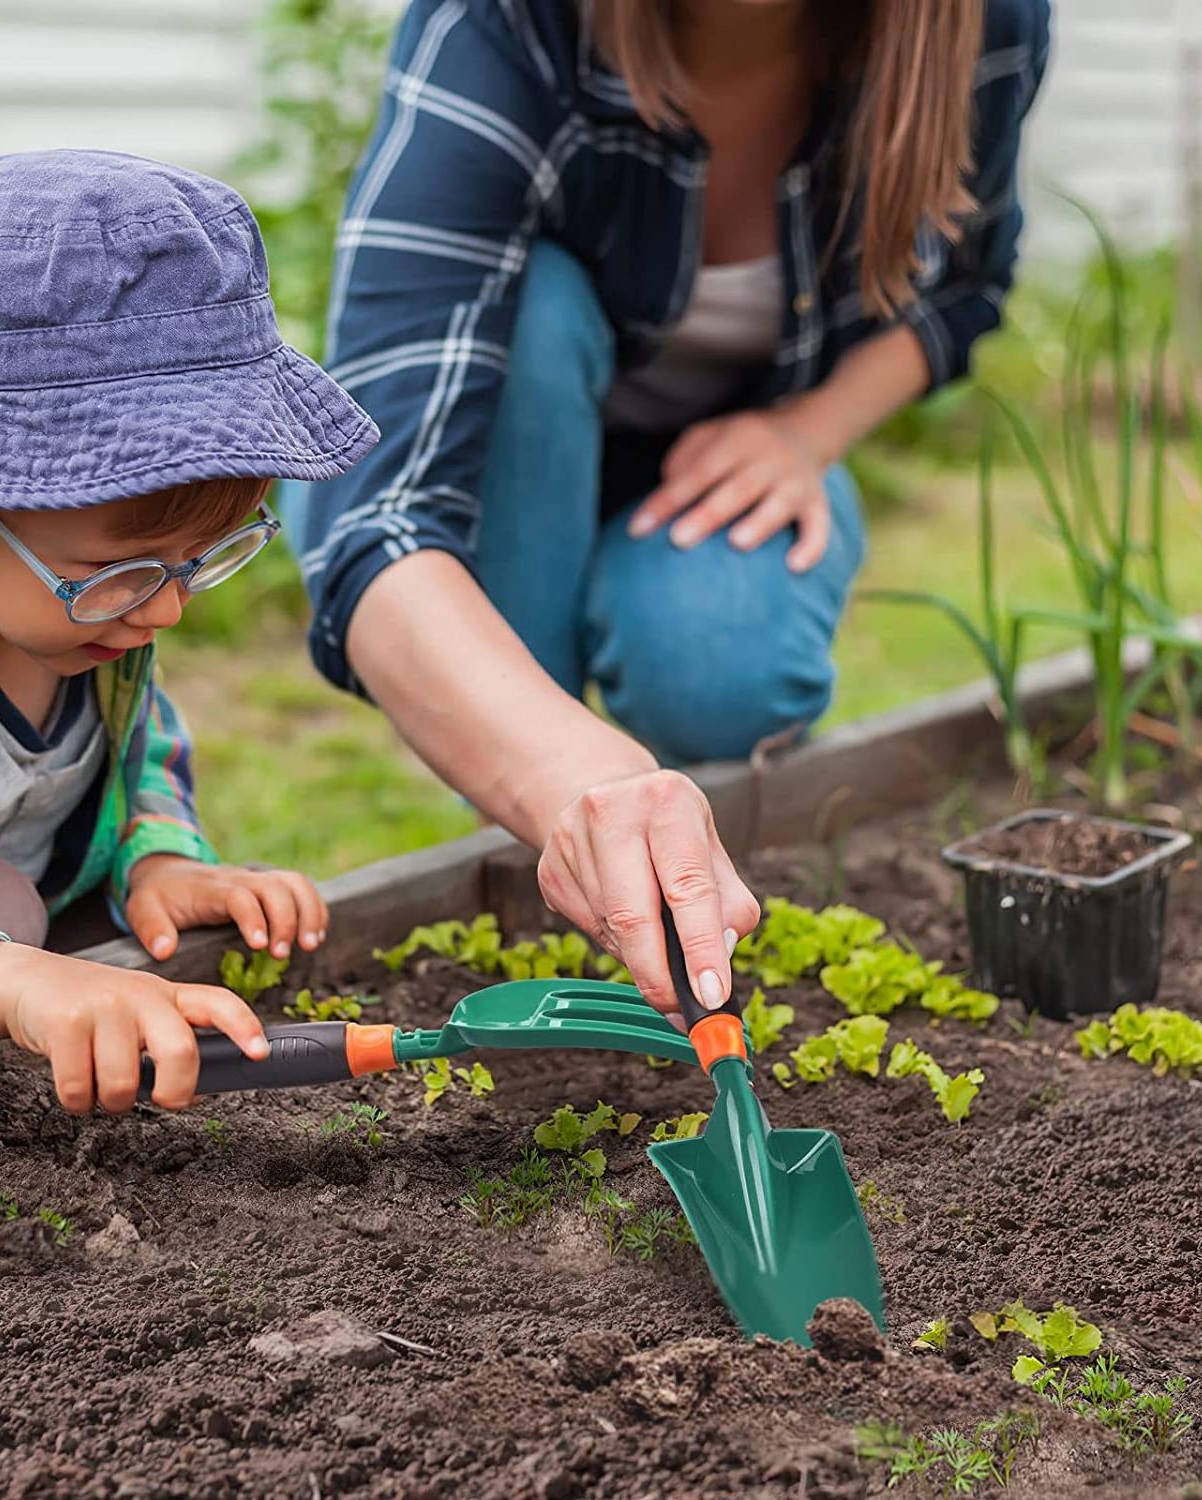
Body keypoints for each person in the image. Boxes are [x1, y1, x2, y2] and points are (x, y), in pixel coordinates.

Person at [287, 0, 1051, 1015]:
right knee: (538, 307)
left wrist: (809, 432)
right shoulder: (506, 26)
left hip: (722, 456)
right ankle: (544, 844)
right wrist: (571, 775)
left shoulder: (981, 23)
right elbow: (373, 511)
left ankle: (624, 848)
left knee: (719, 669)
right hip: (504, 449)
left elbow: (970, 289)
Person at [0, 150, 378, 1114]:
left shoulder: (81, 606)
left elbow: (140, 745)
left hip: (5, 903)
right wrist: (4, 982)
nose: (167, 610)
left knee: (22, 910)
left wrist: (158, 857)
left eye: (204, 559)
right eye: (121, 575)